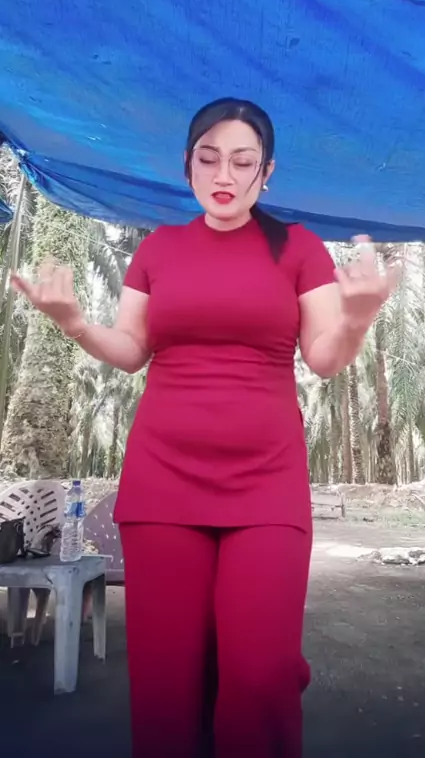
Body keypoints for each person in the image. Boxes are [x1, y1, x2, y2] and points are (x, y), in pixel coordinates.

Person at [12, 98, 399, 758]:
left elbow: (323, 357)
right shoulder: (158, 249)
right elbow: (132, 349)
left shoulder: (299, 249)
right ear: (186, 165)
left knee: (260, 672)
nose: (224, 175)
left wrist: (358, 318)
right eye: (209, 158)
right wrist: (74, 322)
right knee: (167, 680)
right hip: (163, 480)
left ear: (266, 173)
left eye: (243, 162)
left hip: (267, 482)